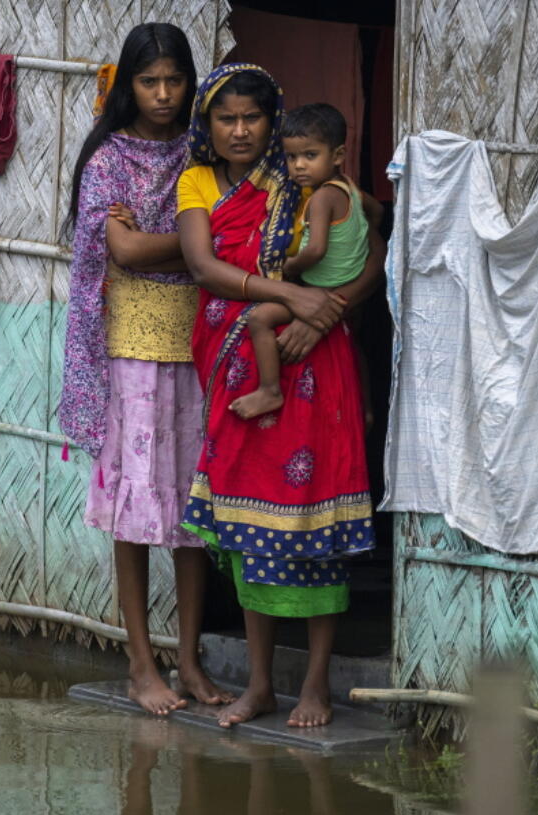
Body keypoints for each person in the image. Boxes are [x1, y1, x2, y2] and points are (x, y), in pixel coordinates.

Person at [176, 64, 384, 728]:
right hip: (246, 371)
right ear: (207, 124)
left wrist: (327, 311)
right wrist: (294, 298)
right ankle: (261, 684)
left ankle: (317, 683)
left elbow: (378, 244)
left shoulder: (312, 179)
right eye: (226, 118)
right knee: (247, 525)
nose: (240, 130)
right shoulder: (201, 182)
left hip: (319, 364)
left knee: (316, 525)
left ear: (275, 121)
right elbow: (206, 266)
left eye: (253, 118)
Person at [58, 22, 230, 716]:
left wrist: (170, 243)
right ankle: (139, 662)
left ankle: (187, 660)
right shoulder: (108, 161)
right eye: (149, 81)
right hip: (129, 349)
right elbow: (124, 254)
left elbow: (213, 235)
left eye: (175, 80)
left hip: (197, 346)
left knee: (193, 510)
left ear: (192, 83)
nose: (163, 94)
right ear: (127, 86)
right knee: (134, 512)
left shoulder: (206, 152)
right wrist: (194, 243)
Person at [229, 103, 379, 420]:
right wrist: (358, 235)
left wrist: (290, 267)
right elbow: (377, 212)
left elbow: (317, 251)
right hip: (345, 285)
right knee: (358, 347)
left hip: (320, 290)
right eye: (292, 157)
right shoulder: (350, 188)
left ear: (337, 156)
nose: (298, 166)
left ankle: (269, 390)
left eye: (310, 156)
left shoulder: (321, 198)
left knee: (259, 319)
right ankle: (367, 408)